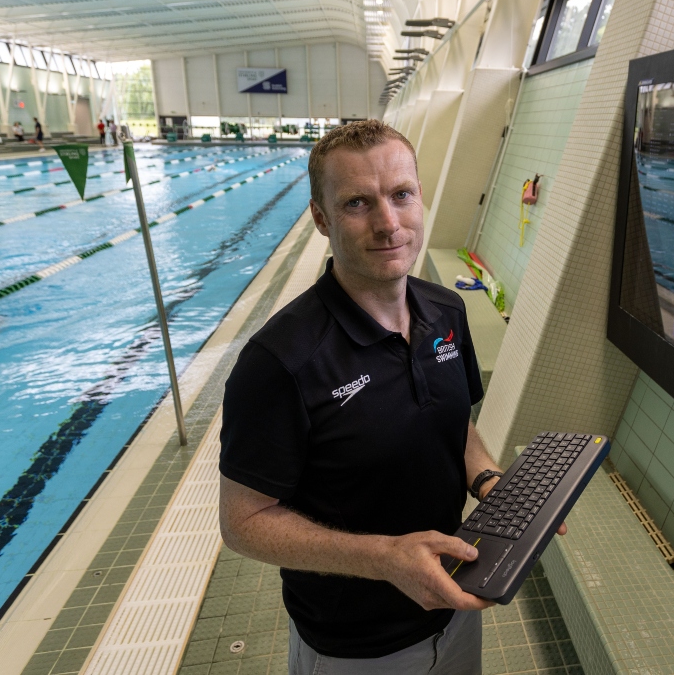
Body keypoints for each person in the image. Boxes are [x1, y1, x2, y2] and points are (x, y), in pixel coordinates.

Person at [219, 120, 565, 673]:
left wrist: (490, 483)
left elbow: (455, 425)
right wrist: (385, 558)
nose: (388, 223)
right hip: (355, 645)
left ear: (420, 198)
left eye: (401, 195)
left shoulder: (447, 313)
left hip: (452, 604)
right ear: (321, 218)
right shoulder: (281, 362)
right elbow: (243, 523)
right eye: (358, 203)